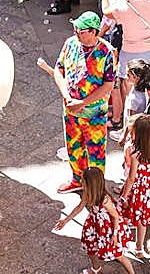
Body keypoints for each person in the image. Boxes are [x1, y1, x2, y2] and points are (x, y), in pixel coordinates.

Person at [49, 11, 117, 194]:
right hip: (71, 109)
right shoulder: (70, 44)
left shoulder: (107, 52)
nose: (76, 32)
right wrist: (67, 96)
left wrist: (83, 102)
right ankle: (77, 179)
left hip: (94, 114)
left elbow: (108, 85)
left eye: (81, 29)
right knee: (74, 146)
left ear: (94, 31)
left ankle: (96, 187)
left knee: (95, 151)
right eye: (75, 28)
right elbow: (58, 70)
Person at [53, 166, 135, 274]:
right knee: (90, 248)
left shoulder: (105, 200)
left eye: (83, 180)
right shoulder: (87, 193)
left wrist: (114, 234)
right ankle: (96, 269)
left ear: (91, 184)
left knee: (118, 255)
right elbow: (79, 207)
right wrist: (65, 220)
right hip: (93, 225)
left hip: (108, 229)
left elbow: (115, 216)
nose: (81, 181)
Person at [118, 113, 150, 257]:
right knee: (143, 219)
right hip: (149, 190)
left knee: (124, 214)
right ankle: (139, 248)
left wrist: (123, 196)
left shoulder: (134, 152)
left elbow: (131, 177)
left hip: (136, 190)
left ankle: (120, 243)